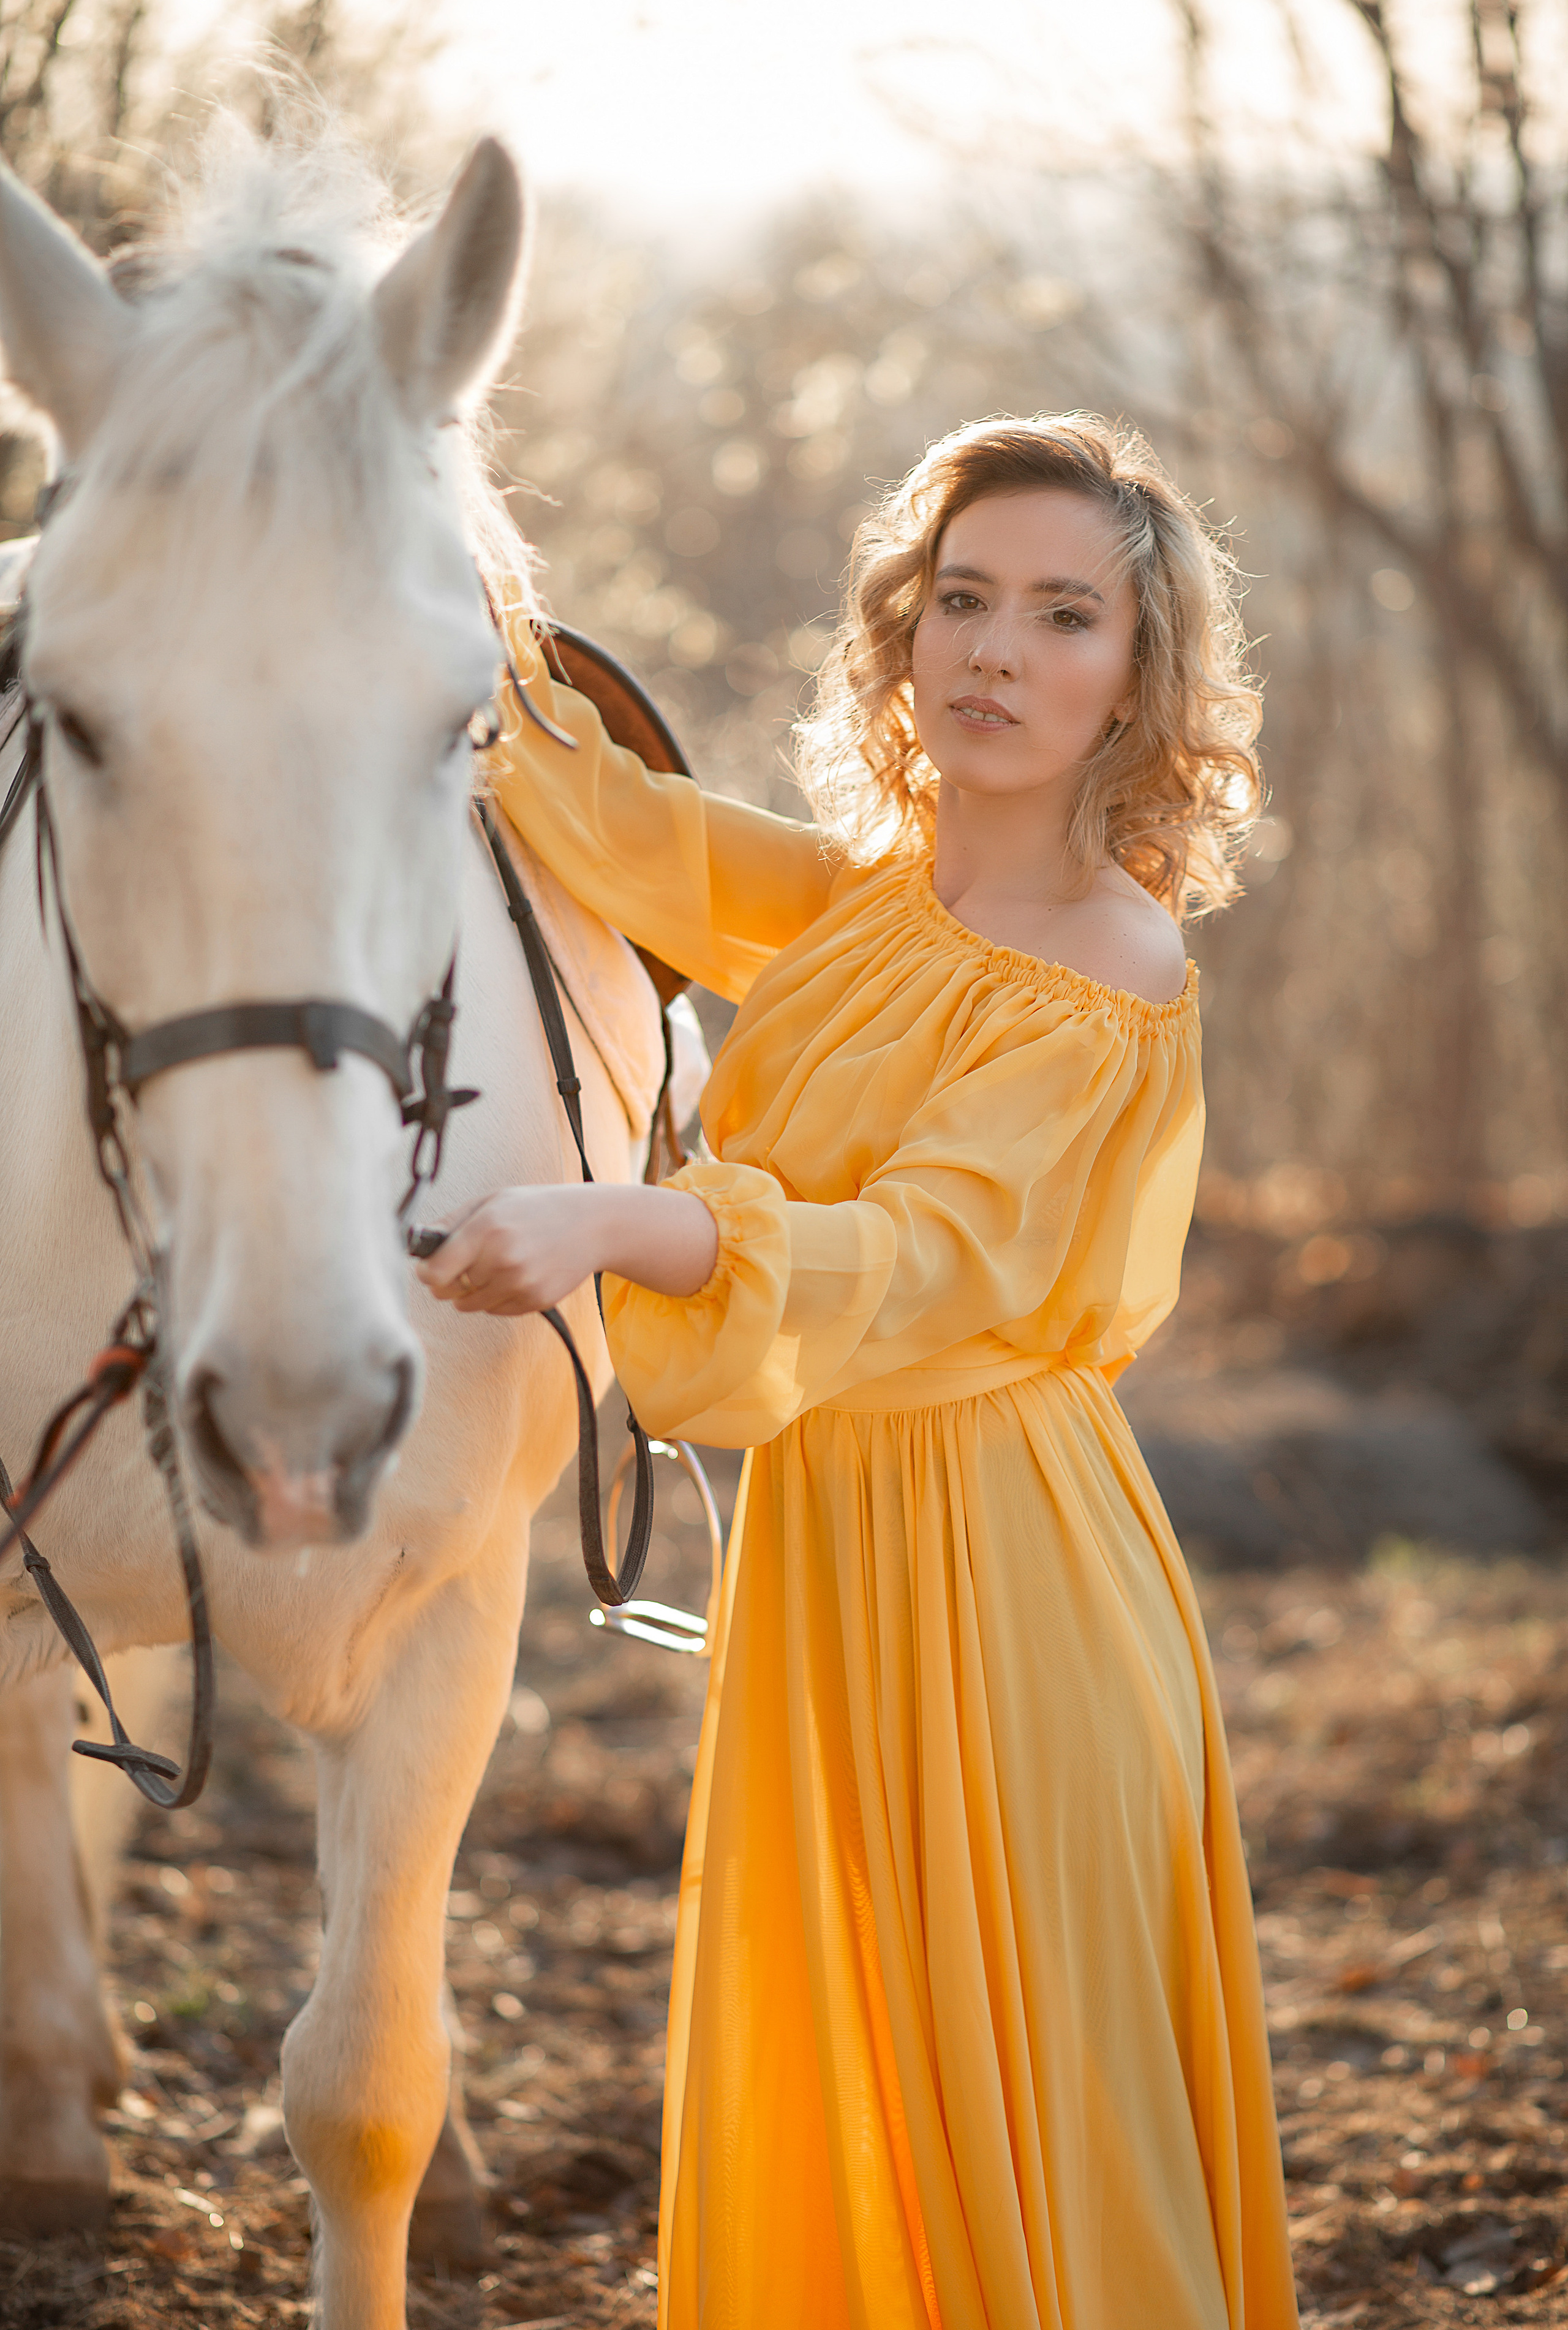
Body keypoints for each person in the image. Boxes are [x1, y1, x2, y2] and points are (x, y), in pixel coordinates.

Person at [420, 414, 1299, 2330]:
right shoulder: (869, 908)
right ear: (904, 637)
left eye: (1064, 616)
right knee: (874, 2082)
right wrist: (445, 605)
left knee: (1033, 2102)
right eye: (960, 601)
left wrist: (618, 1223)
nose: (995, 652)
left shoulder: (1111, 961)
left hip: (1011, 1571)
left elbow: (920, 1256)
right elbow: (628, 836)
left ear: (1138, 678)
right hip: (838, 1556)